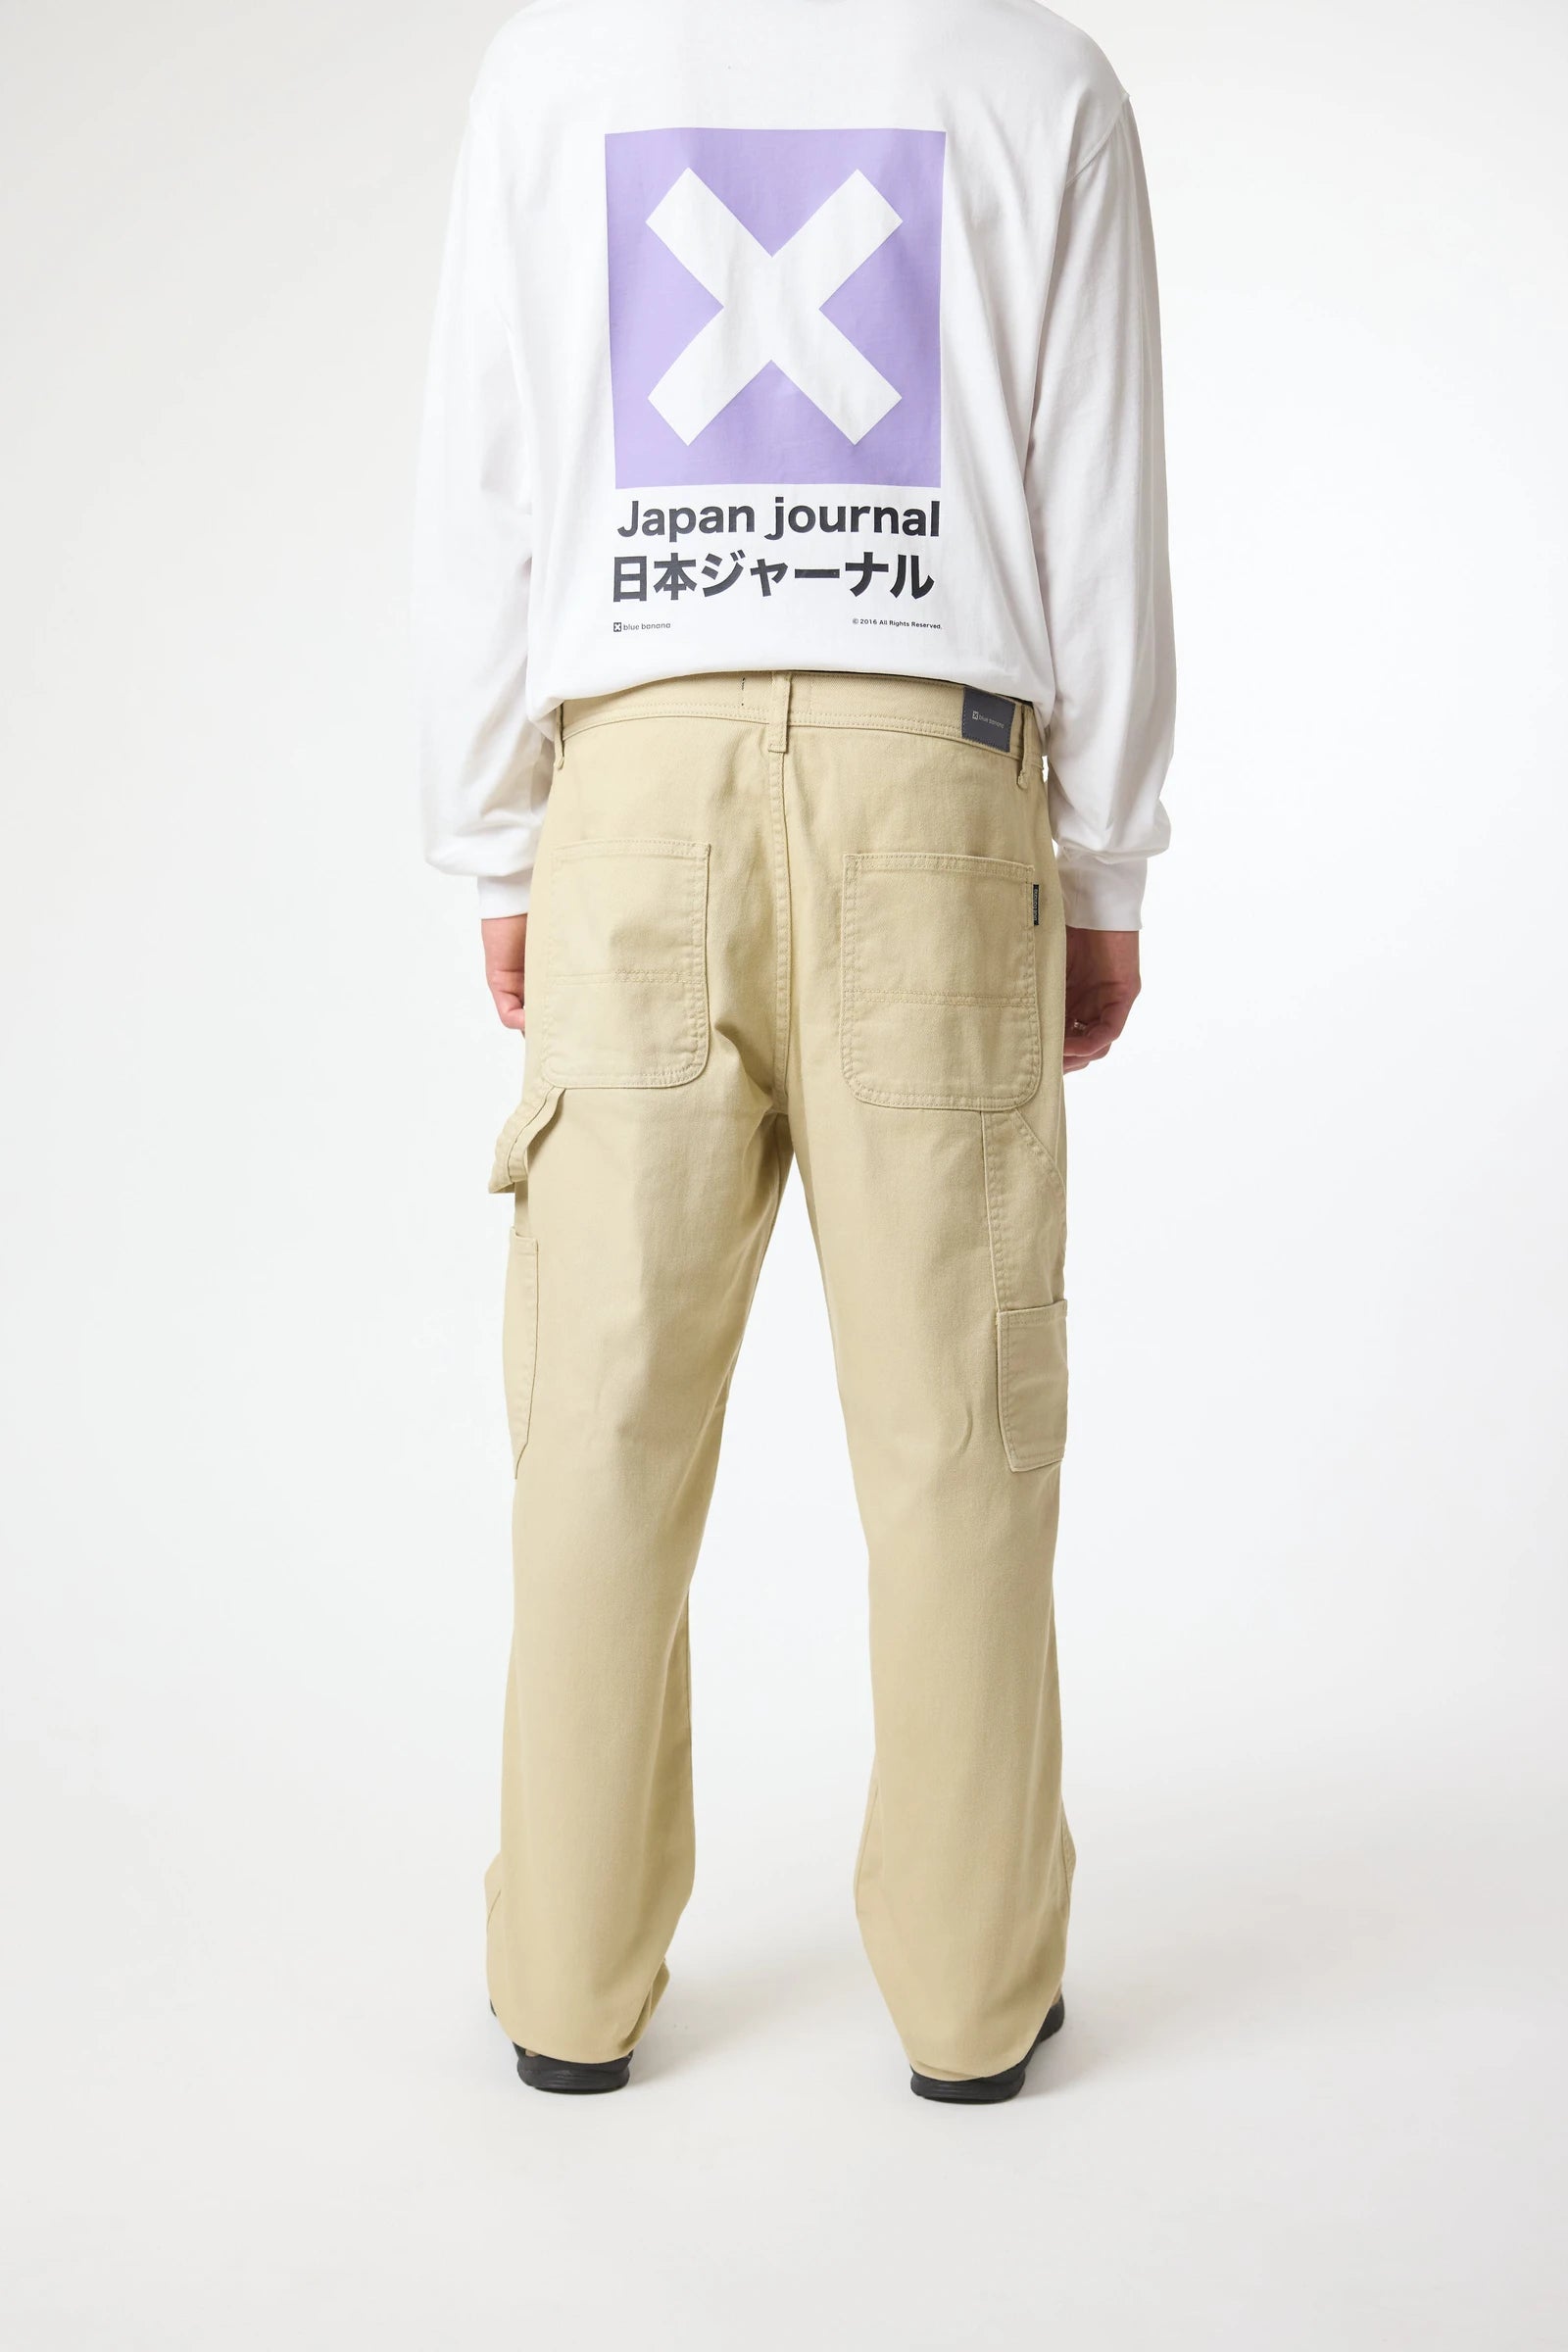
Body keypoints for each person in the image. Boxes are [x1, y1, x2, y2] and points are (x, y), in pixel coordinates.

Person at [413, 0, 1174, 2105]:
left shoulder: (558, 64)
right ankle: (972, 2005)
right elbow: (1099, 499)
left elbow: (486, 467)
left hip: (630, 789)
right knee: (954, 1431)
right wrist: (1102, 860)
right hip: (938, 786)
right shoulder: (1034, 76)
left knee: (600, 1422)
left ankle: (565, 1991)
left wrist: (498, 837)